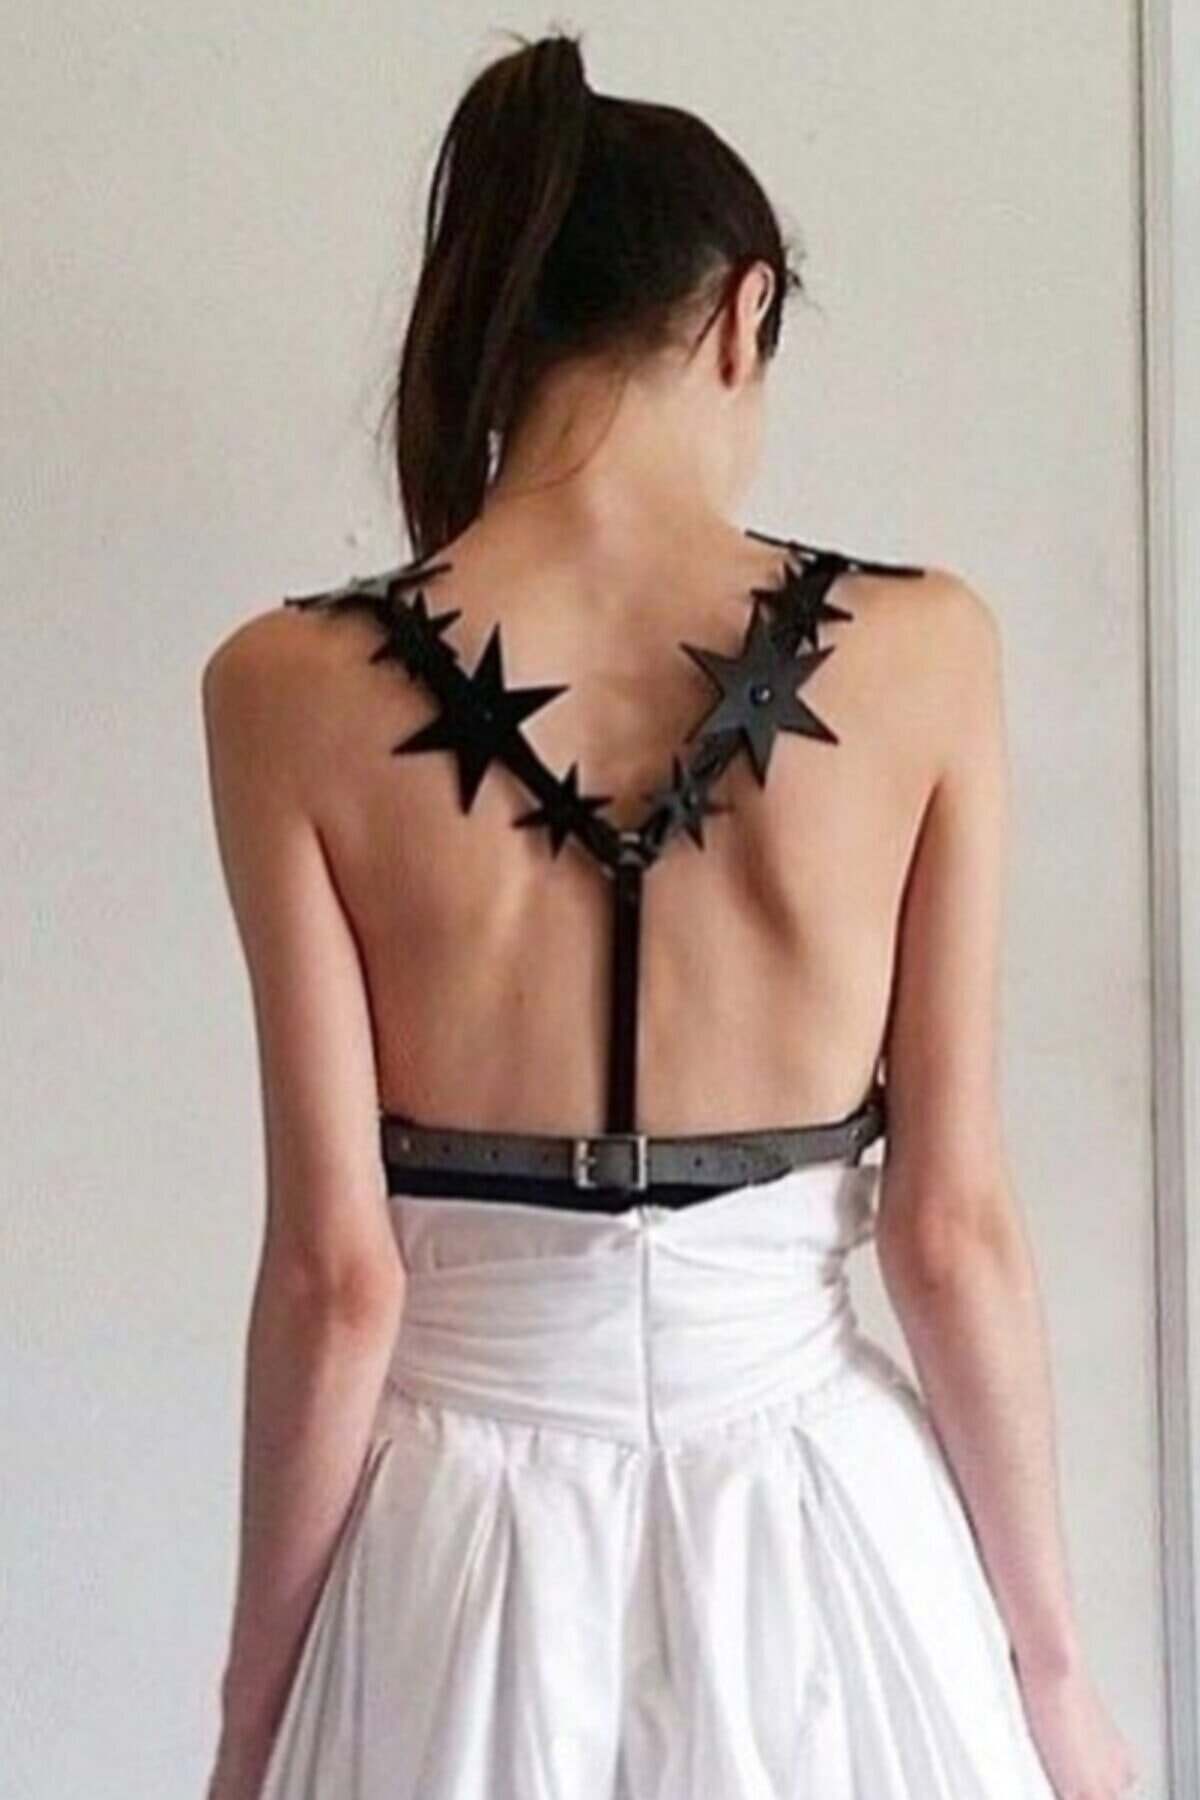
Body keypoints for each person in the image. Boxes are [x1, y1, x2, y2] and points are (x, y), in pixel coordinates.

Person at [200, 27, 1139, 1800]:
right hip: (825, 1543)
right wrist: (1057, 1681)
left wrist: (255, 1711)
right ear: (739, 314)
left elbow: (336, 1281)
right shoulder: (931, 653)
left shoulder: (281, 691)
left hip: (462, 1565)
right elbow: (950, 1235)